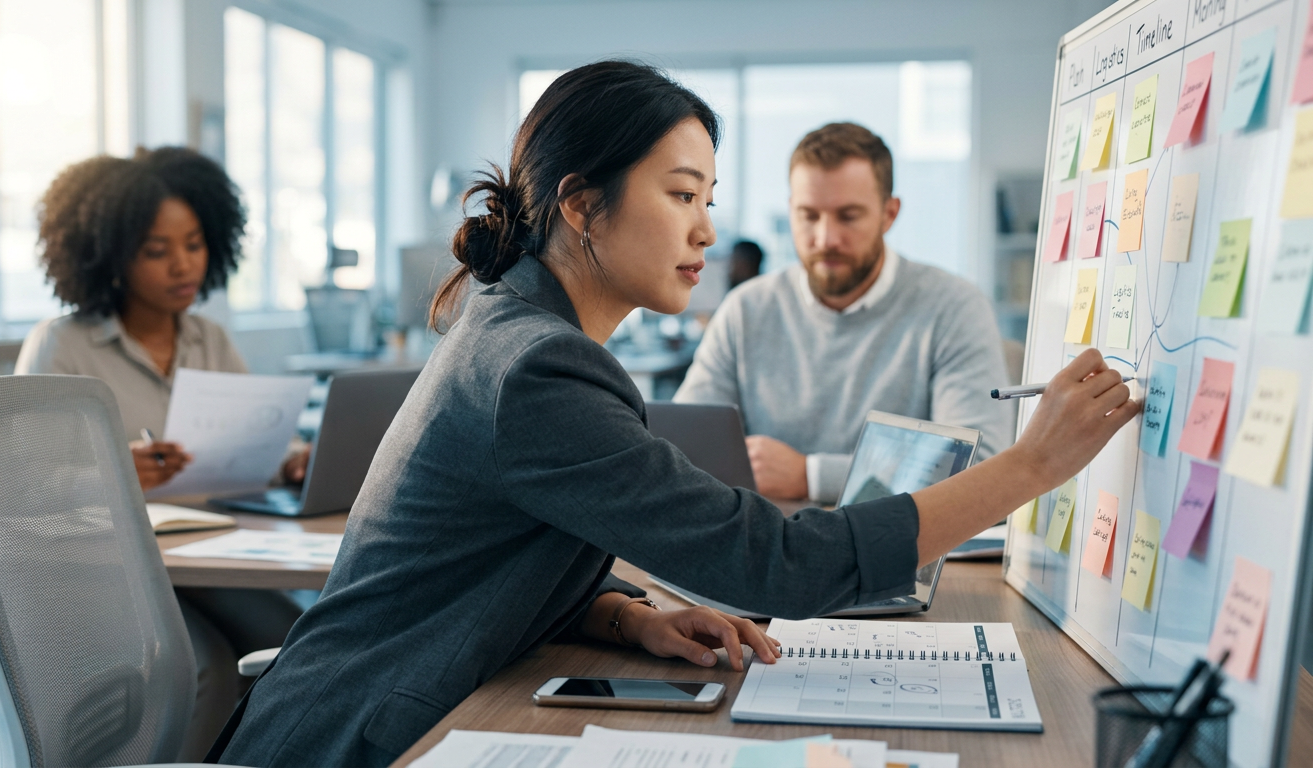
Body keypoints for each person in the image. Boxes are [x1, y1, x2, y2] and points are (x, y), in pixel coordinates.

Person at [214, 62, 1138, 767]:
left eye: (710, 199)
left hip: (402, 706)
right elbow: (780, 565)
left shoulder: (514, 326)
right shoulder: (536, 367)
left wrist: (624, 617)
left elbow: (489, 555)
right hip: (358, 738)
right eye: (681, 195)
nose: (705, 230)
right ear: (582, 204)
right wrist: (1029, 469)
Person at [15, 147, 304, 759]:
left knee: (300, 640)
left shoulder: (210, 337)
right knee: (201, 668)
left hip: (209, 555)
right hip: (103, 568)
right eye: (156, 250)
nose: (183, 265)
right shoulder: (61, 345)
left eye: (195, 243)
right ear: (110, 256)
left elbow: (256, 431)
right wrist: (113, 471)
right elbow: (18, 487)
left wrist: (290, 457)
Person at [675, 123, 1015, 504]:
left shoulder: (953, 308)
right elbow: (687, 449)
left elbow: (982, 467)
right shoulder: (746, 310)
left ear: (889, 214)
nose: (826, 238)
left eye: (848, 216)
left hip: (897, 551)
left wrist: (812, 475)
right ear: (790, 211)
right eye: (809, 215)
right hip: (766, 546)